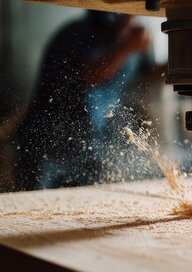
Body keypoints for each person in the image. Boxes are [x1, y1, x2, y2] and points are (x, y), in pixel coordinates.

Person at [15, 10, 154, 190]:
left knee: (85, 208)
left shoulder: (134, 38)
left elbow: (152, 75)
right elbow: (91, 76)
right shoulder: (78, 33)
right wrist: (126, 48)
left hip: (90, 144)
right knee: (34, 207)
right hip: (48, 143)